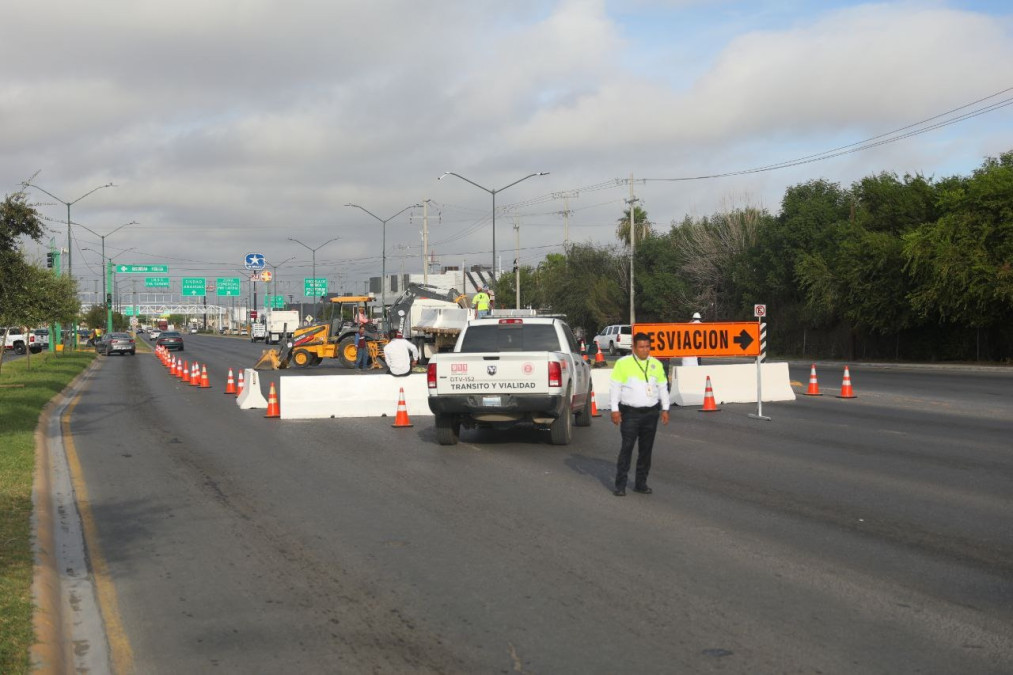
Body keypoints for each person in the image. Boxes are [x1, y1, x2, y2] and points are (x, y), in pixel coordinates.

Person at [609, 332, 670, 496]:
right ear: (634, 348)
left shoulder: (656, 364)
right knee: (627, 448)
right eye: (641, 347)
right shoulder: (623, 364)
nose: (645, 350)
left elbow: (663, 387)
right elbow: (615, 387)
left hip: (651, 413)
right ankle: (620, 485)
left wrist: (665, 408)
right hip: (630, 413)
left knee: (646, 450)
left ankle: (641, 483)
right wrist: (614, 409)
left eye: (647, 347)